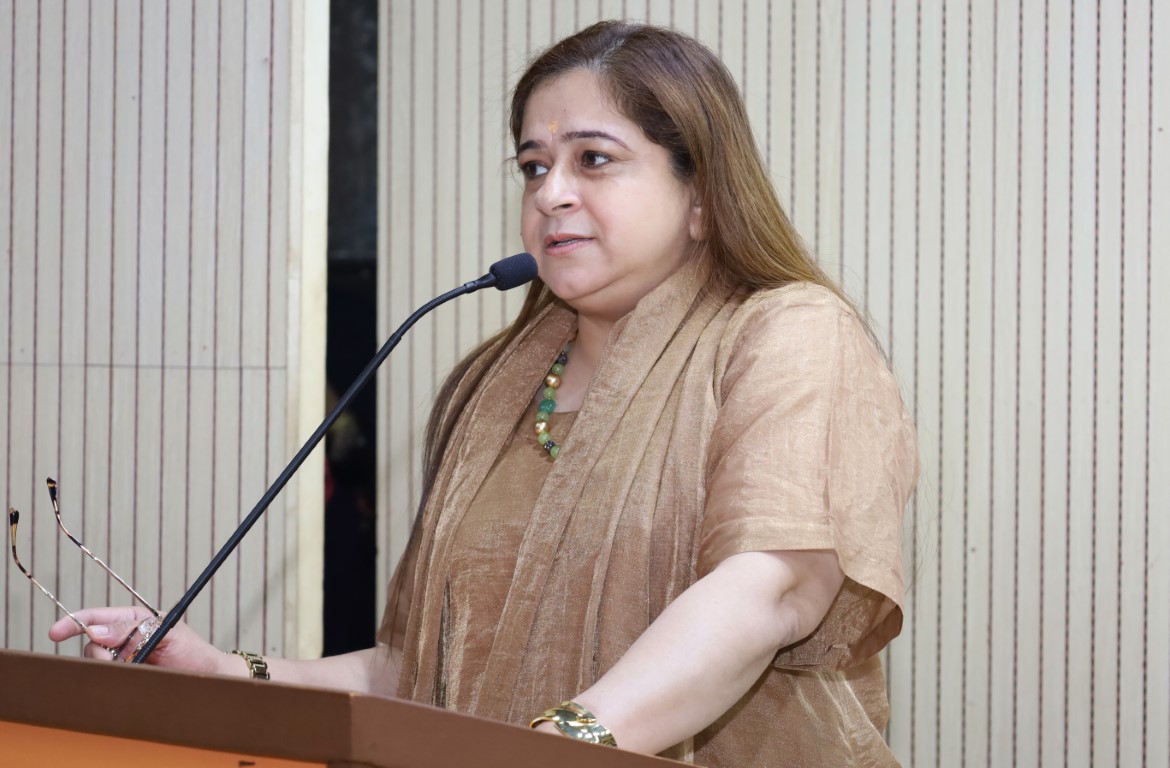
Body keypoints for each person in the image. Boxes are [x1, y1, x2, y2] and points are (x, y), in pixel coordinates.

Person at [50, 21, 917, 766]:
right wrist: (229, 674)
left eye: (594, 159)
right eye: (534, 166)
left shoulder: (786, 334)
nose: (552, 194)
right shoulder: (492, 386)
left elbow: (773, 587)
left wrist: (561, 743)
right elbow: (419, 672)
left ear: (700, 196)